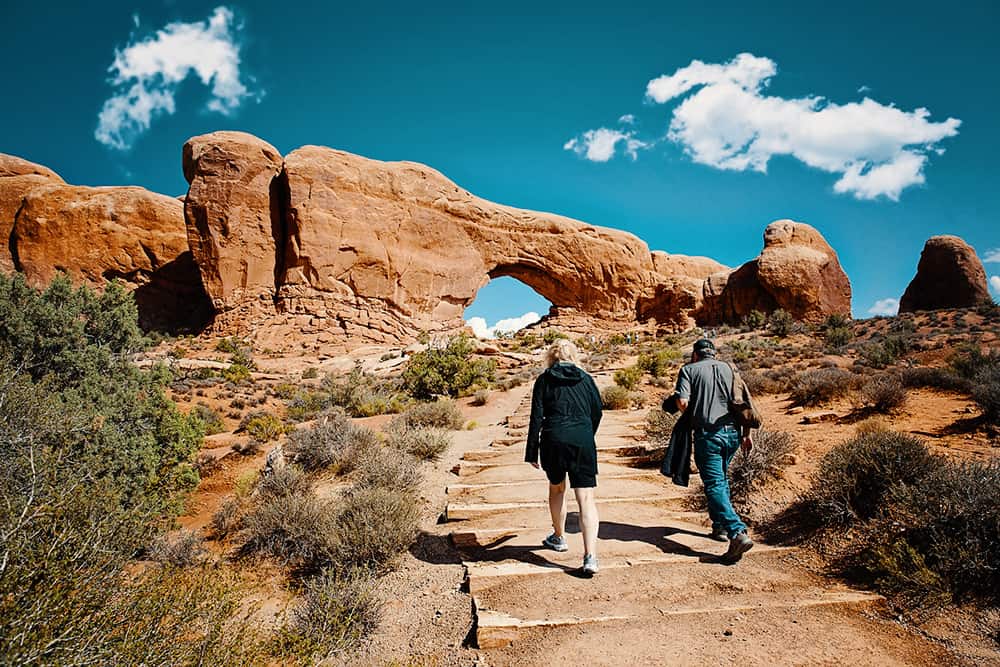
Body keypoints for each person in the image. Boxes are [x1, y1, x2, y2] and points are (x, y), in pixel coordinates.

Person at [669, 338, 755, 563]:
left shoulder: (688, 370)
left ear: (695, 355)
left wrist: (690, 409)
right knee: (721, 479)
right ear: (714, 354)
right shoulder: (730, 368)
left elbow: (682, 402)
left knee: (715, 483)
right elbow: (744, 403)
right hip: (734, 434)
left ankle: (737, 532)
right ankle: (719, 527)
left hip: (709, 435)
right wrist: (747, 435)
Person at [525, 339, 603, 575]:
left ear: (551, 357)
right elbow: (597, 411)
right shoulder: (586, 379)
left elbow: (536, 417)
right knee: (586, 498)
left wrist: (532, 451)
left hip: (553, 439)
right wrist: (586, 434)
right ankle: (590, 557)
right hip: (582, 440)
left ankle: (559, 538)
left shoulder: (544, 379)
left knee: (557, 489)